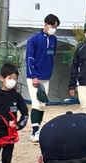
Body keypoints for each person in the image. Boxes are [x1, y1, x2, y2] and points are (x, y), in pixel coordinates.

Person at [25, 13, 60, 142]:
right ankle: (34, 132)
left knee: (42, 104)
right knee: (36, 103)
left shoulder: (54, 39)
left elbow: (52, 57)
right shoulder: (34, 40)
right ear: (45, 24)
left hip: (46, 77)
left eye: (56, 27)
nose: (54, 28)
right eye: (52, 26)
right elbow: (29, 59)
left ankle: (37, 129)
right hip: (34, 77)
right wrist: (34, 76)